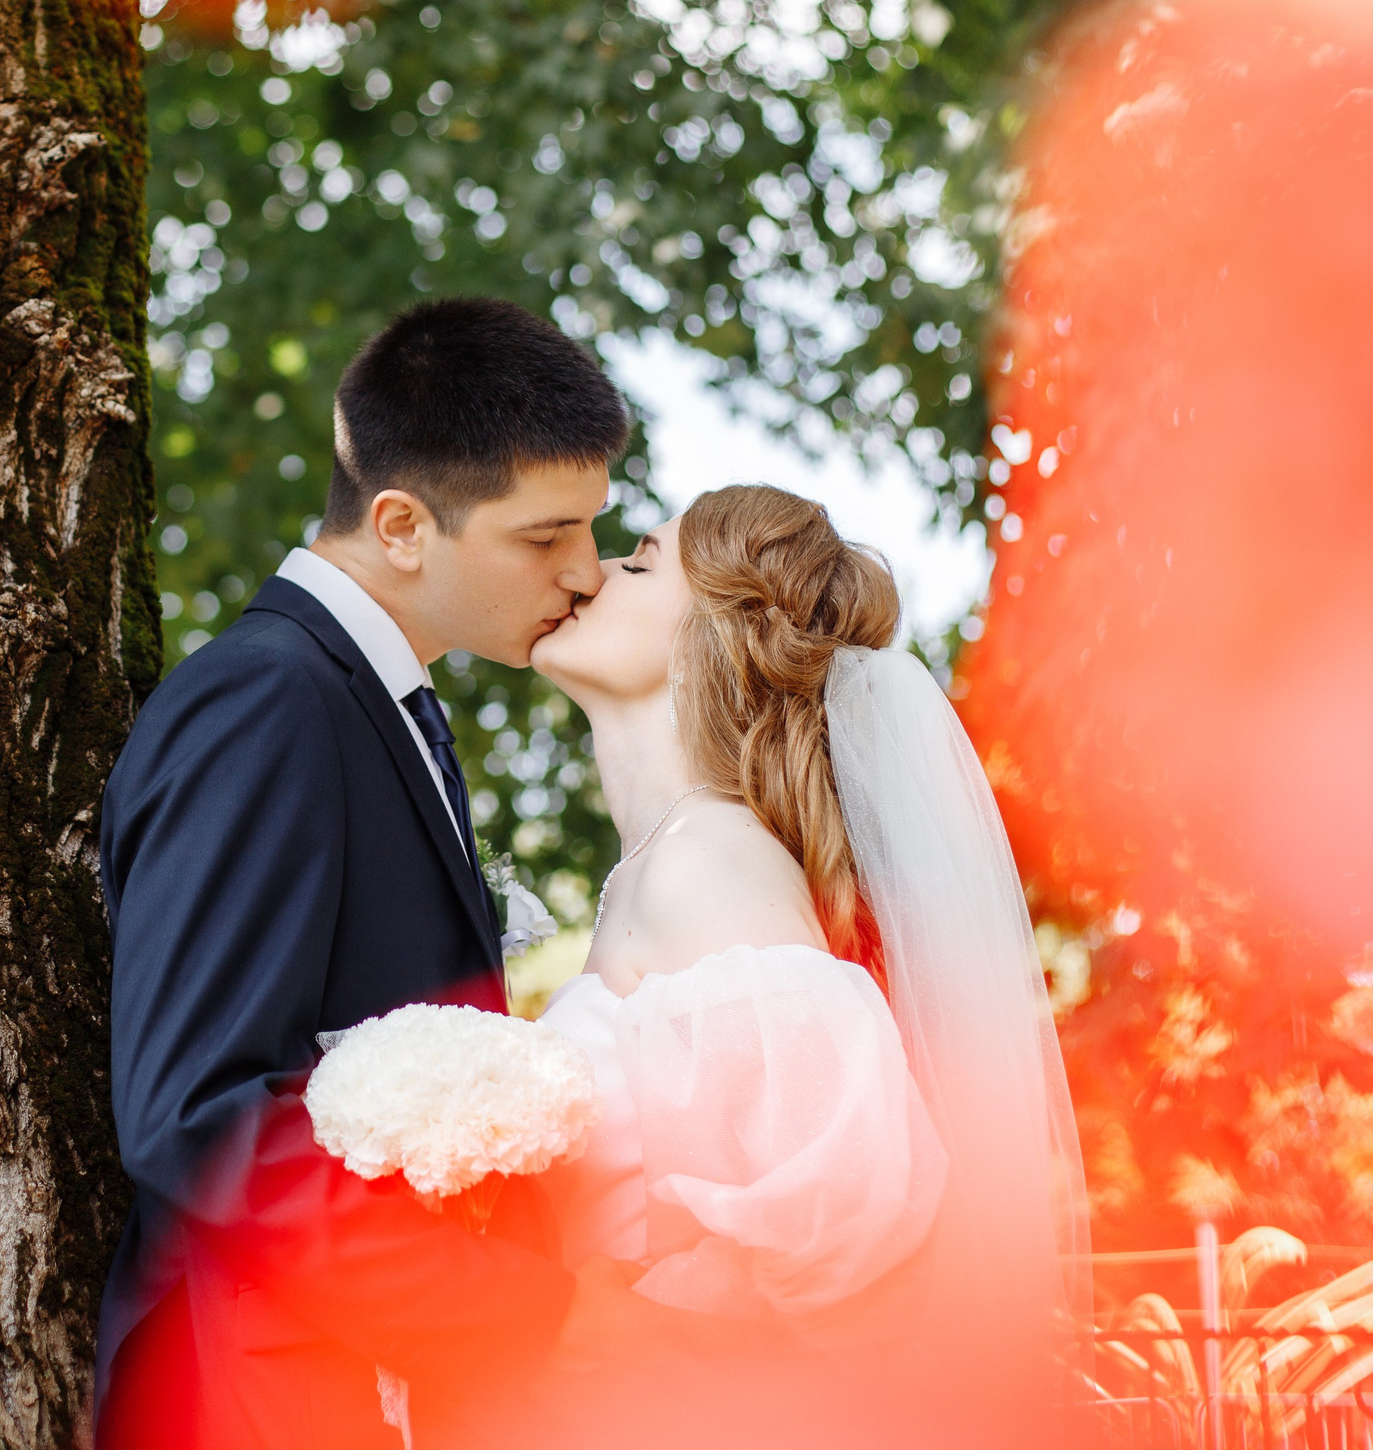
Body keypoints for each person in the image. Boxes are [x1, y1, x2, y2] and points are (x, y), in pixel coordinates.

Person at [95, 298, 644, 1449]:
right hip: (261, 1396)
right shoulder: (269, 701)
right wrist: (520, 1314)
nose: (586, 573)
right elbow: (198, 1111)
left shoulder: (379, 703)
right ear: (401, 524)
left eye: (593, 529)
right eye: (545, 537)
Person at [517, 484, 1092, 1445]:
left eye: (641, 558)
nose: (592, 571)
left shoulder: (708, 865)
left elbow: (846, 1229)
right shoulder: (655, 871)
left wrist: (614, 1337)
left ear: (718, 634)